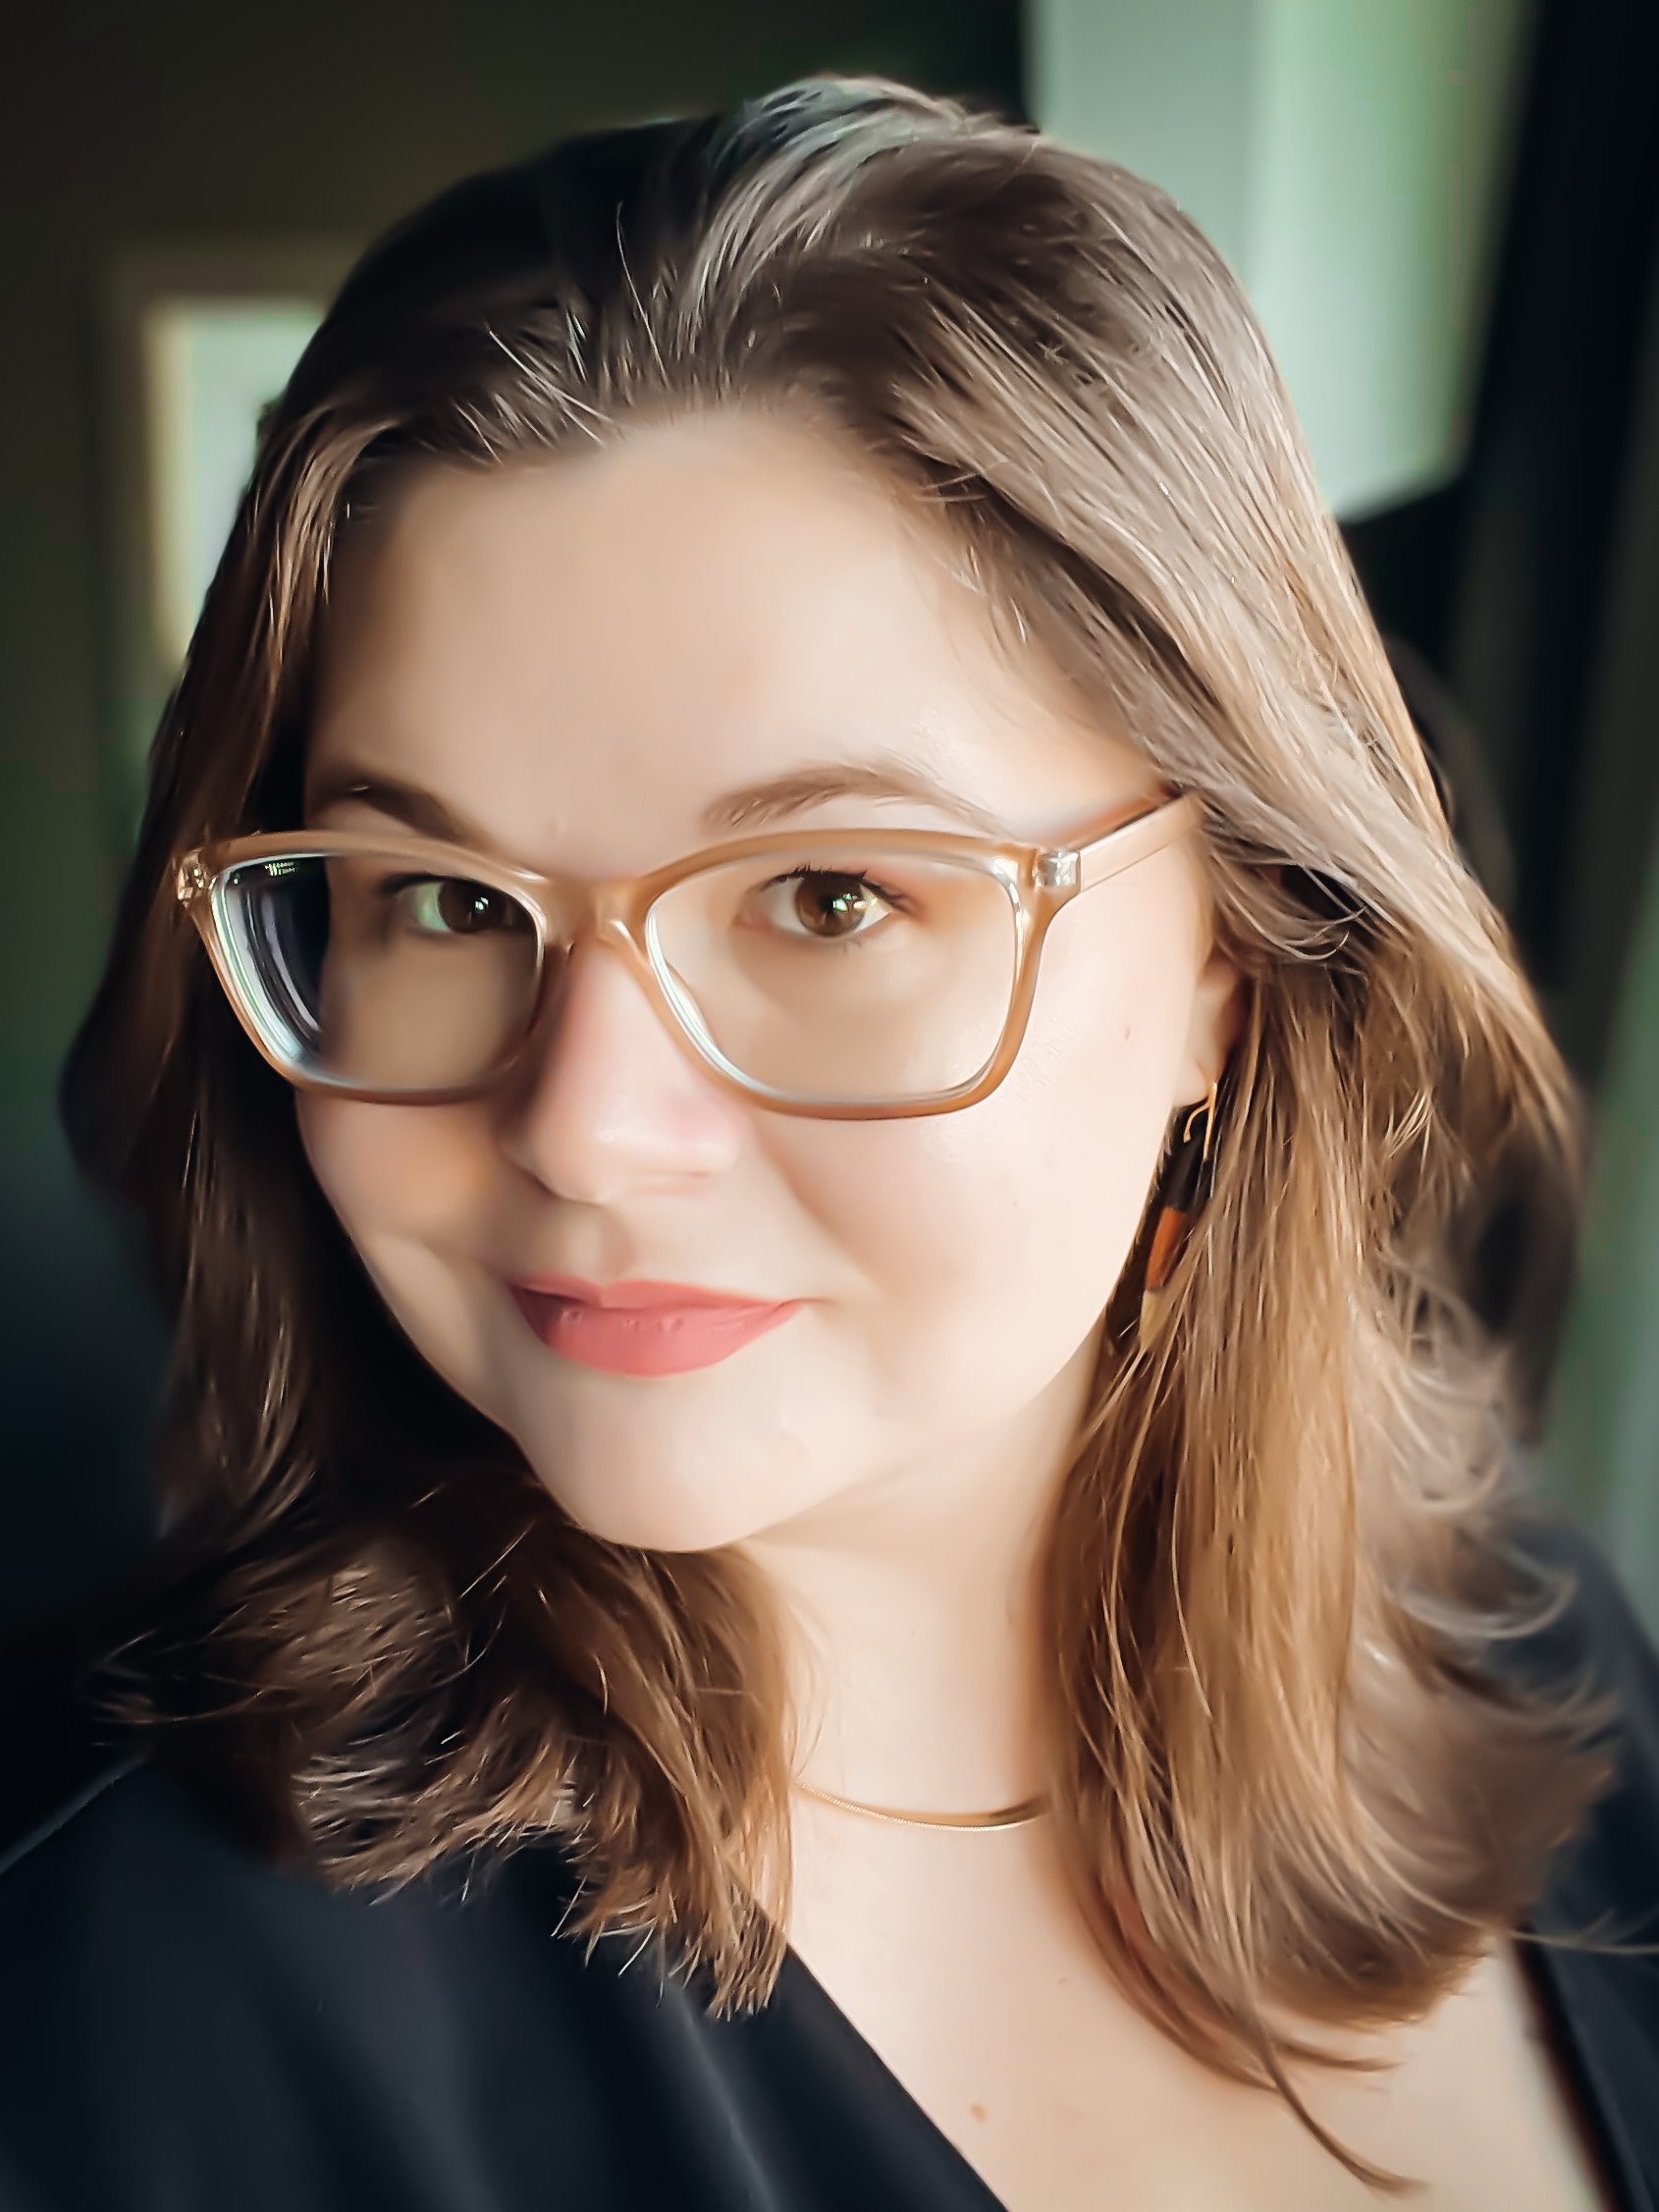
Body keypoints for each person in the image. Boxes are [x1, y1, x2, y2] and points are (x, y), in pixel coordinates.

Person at [2, 73, 1656, 2212]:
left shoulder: (1537, 1644)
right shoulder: (143, 2024)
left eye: (829, 895)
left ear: (1233, 957)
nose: (587, 1131)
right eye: (445, 903)